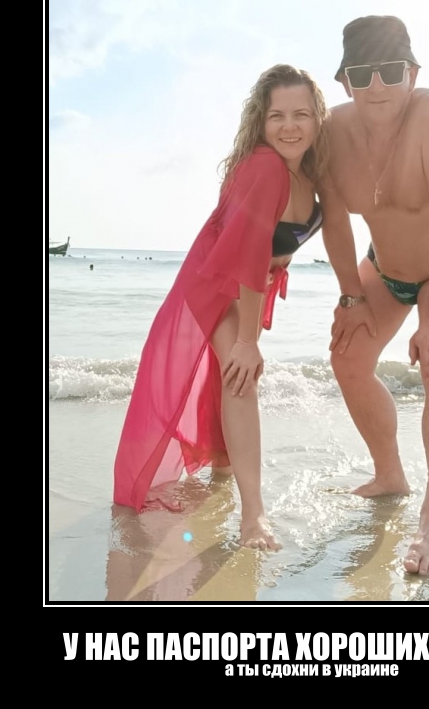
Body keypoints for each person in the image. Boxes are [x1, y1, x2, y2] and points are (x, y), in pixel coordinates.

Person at [113, 64, 329, 551]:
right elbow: (249, 250)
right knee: (240, 375)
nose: (289, 126)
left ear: (318, 118)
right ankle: (254, 516)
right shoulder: (266, 167)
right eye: (276, 116)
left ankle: (226, 469)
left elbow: (285, 239)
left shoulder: (311, 170)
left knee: (225, 380)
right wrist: (248, 340)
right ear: (260, 120)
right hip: (216, 282)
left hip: (249, 285)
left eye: (301, 114)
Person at [320, 16, 429, 575]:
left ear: (412, 73)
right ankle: (389, 474)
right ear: (344, 81)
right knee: (347, 360)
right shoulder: (332, 132)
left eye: (391, 71)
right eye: (362, 73)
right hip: (385, 267)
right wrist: (350, 296)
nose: (377, 86)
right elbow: (335, 223)